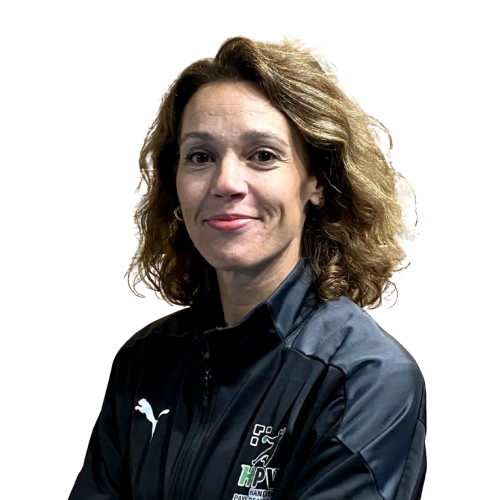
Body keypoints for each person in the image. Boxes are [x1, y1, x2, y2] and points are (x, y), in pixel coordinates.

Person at [69, 36, 426, 499]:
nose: (226, 182)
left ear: (317, 181)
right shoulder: (144, 362)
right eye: (200, 157)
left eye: (262, 156)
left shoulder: (365, 379)